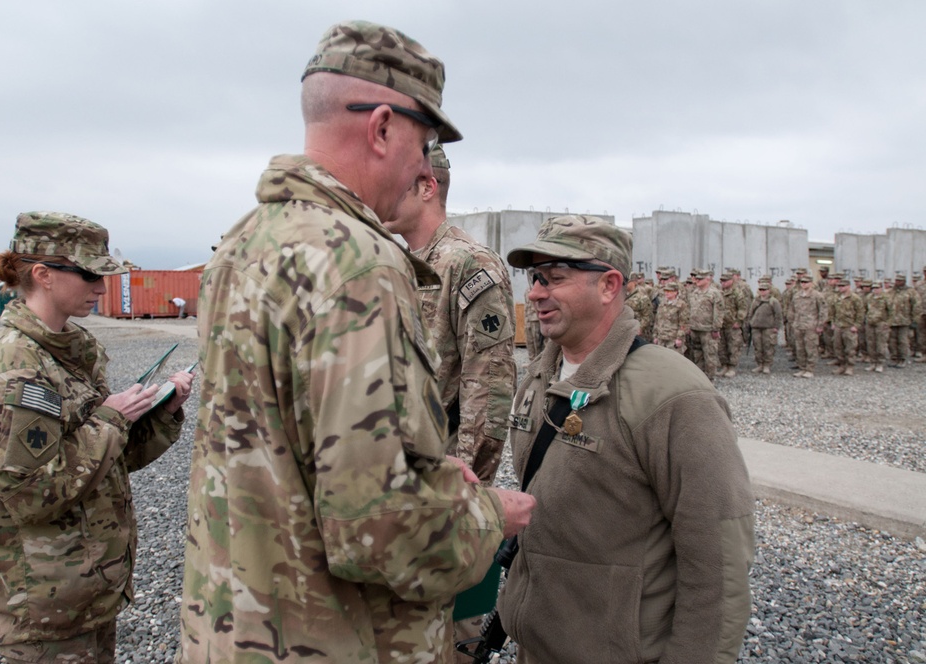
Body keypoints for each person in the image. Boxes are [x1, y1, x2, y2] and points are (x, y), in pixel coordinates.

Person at [178, 21, 535, 662]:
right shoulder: (361, 265)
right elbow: (376, 530)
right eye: (423, 145)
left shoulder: (241, 245)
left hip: (236, 624)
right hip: (330, 635)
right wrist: (488, 515)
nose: (424, 169)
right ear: (380, 128)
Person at [498, 215, 754, 663]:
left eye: (555, 278)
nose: (535, 293)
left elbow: (719, 558)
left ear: (609, 286)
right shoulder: (539, 376)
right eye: (534, 278)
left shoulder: (672, 393)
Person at [0, 211, 193, 663]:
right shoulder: (17, 370)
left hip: (82, 591)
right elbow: (33, 492)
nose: (101, 288)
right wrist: (110, 420)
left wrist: (160, 412)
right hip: (43, 606)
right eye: (88, 275)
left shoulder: (65, 353)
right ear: (42, 275)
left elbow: (106, 463)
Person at [384, 144, 516, 484]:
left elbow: (489, 383)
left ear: (428, 187)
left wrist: (468, 484)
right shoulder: (402, 262)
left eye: (394, 183)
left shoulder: (468, 263)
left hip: (445, 469)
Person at [687, 269, 724, 381]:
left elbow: (719, 312)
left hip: (708, 329)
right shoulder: (694, 292)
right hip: (695, 328)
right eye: (696, 278)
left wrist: (716, 328)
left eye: (700, 279)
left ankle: (710, 378)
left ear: (707, 279)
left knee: (710, 355)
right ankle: (700, 378)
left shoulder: (714, 293)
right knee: (697, 354)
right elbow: (690, 310)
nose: (697, 281)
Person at [789, 274, 825, 378]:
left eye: (806, 282)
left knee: (811, 348)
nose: (804, 284)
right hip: (798, 325)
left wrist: (820, 325)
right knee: (800, 348)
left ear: (811, 283)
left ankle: (810, 369)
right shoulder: (797, 295)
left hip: (811, 326)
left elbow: (823, 311)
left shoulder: (817, 295)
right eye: (802, 282)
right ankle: (802, 368)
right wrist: (792, 322)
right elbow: (792, 310)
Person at [829, 278, 864, 376]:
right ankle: (842, 365)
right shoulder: (836, 297)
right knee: (838, 347)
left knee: (850, 348)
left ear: (848, 286)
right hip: (838, 326)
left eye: (843, 286)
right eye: (839, 286)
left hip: (849, 326)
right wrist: (833, 323)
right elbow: (832, 311)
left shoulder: (855, 298)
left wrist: (856, 325)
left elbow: (860, 313)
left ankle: (850, 366)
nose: (840, 288)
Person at [888, 272, 922, 367]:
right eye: (896, 280)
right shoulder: (891, 292)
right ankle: (894, 358)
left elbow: (917, 306)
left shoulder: (911, 292)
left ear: (904, 281)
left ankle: (903, 359)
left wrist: (915, 320)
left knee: (903, 341)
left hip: (905, 321)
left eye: (900, 280)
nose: (897, 282)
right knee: (892, 341)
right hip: (892, 321)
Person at [718, 272, 748, 377]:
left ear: (731, 281)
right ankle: (724, 365)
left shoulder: (737, 293)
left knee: (733, 346)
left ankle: (732, 367)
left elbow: (743, 308)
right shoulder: (720, 292)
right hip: (721, 324)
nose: (723, 283)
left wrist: (738, 321)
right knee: (722, 347)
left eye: (725, 281)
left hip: (732, 324)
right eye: (721, 281)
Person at [748, 283, 781, 374]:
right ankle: (760, 364)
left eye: (764, 290)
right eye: (761, 290)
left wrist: (776, 327)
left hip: (768, 328)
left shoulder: (773, 301)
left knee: (768, 347)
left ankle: (767, 365)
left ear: (769, 290)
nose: (762, 291)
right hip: (756, 327)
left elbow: (778, 315)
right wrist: (751, 322)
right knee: (758, 347)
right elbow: (751, 312)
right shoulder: (756, 301)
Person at [652, 282, 688, 354]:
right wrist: (655, 336)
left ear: (675, 292)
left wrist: (679, 338)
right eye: (665, 291)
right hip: (661, 337)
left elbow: (683, 323)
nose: (666, 293)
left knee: (675, 360)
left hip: (673, 338)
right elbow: (657, 320)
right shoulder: (662, 304)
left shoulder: (681, 305)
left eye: (669, 291)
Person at [865, 281, 892, 373]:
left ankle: (880, 363)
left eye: (877, 288)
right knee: (871, 344)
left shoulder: (886, 298)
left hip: (881, 323)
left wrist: (888, 323)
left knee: (881, 344)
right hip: (870, 323)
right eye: (874, 288)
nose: (875, 290)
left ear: (881, 288)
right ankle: (873, 362)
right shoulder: (869, 297)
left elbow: (891, 311)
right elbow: (865, 309)